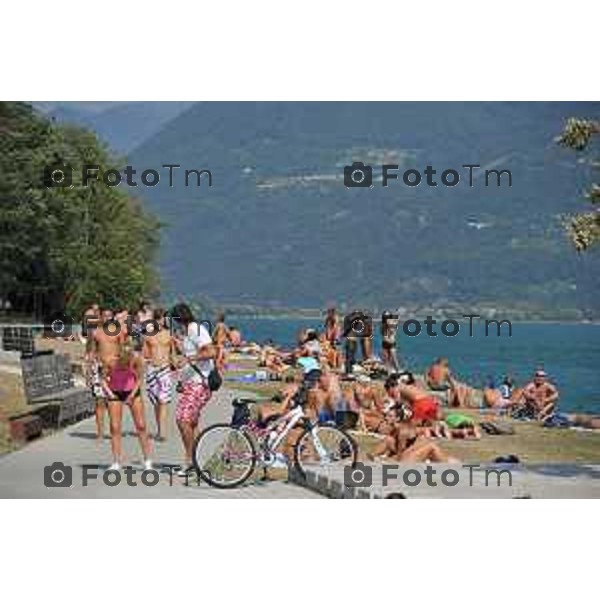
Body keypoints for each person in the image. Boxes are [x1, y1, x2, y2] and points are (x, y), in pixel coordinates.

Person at [172, 303, 216, 476]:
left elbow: (211, 352)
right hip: (192, 383)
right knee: (191, 423)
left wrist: (189, 358)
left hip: (200, 383)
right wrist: (182, 379)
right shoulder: (188, 331)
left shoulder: (196, 329)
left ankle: (190, 460)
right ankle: (196, 461)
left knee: (182, 419)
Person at [102, 343, 153, 471]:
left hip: (132, 391)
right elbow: (102, 379)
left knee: (141, 425)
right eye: (124, 361)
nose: (126, 363)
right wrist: (110, 394)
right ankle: (116, 461)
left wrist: (131, 395)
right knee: (115, 427)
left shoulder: (136, 360)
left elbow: (140, 379)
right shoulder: (110, 361)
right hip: (114, 392)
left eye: (128, 361)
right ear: (119, 356)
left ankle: (147, 460)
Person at [86, 308, 121, 440]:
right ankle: (100, 433)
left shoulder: (118, 332)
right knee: (99, 402)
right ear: (100, 317)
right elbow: (91, 352)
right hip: (99, 369)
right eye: (104, 316)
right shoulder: (95, 332)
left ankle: (114, 431)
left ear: (112, 317)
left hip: (114, 369)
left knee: (113, 402)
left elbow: (123, 350)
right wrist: (89, 372)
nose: (106, 318)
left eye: (109, 316)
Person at [143, 308, 177, 441]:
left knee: (163, 401)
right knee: (156, 402)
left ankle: (162, 432)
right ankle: (159, 429)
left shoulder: (169, 334)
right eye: (160, 319)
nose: (162, 321)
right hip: (152, 369)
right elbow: (144, 354)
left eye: (162, 319)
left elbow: (173, 352)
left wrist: (176, 367)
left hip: (164, 369)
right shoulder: (148, 335)